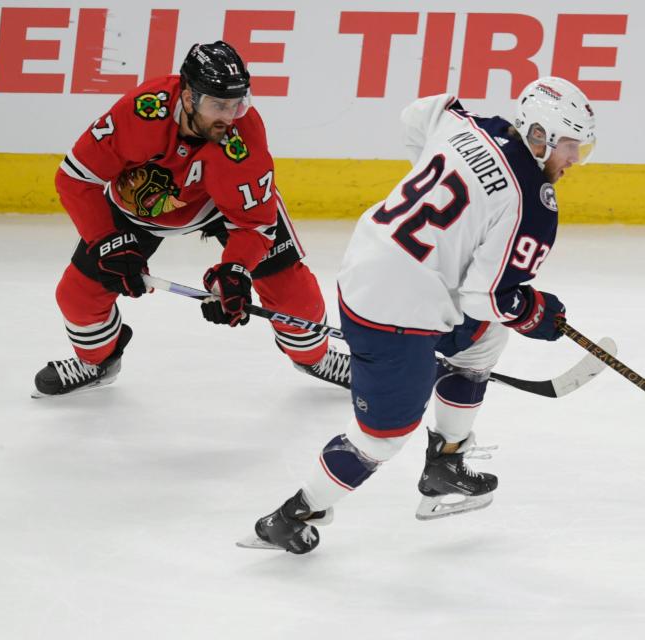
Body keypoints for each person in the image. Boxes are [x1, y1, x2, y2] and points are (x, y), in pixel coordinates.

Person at [252, 77, 597, 553]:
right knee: (383, 436)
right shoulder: (532, 205)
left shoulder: (468, 124)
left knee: (485, 338)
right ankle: (294, 515)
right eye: (571, 146)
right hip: (395, 315)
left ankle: (446, 462)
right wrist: (537, 312)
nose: (575, 159)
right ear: (538, 135)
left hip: (363, 267)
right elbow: (487, 298)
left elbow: (416, 115)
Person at [33, 41, 351, 397]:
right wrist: (107, 240)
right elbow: (76, 178)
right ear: (187, 98)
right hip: (139, 209)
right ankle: (97, 362)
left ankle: (317, 357)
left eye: (236, 103)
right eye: (218, 105)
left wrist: (235, 270)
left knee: (297, 299)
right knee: (78, 296)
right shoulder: (140, 114)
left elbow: (255, 224)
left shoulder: (243, 136)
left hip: (223, 207)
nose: (229, 116)